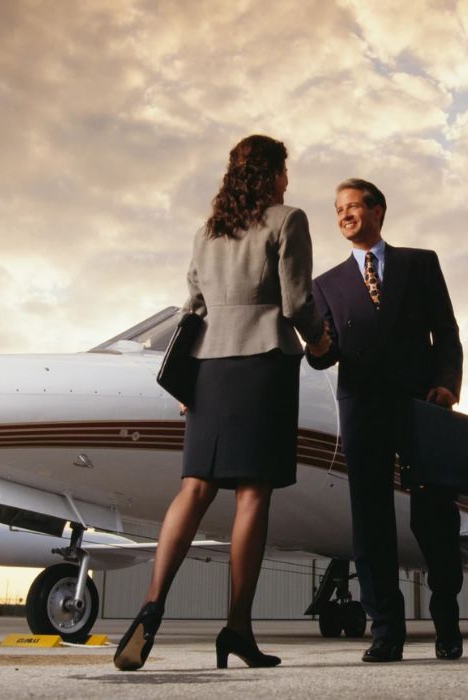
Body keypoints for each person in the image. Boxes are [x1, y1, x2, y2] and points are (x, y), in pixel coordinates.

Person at [113, 135, 331, 671]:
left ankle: (151, 606)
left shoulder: (207, 233)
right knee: (253, 496)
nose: (287, 181)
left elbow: (193, 308)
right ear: (271, 174)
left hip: (209, 371)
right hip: (262, 365)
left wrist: (189, 385)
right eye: (284, 171)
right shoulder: (288, 220)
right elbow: (296, 301)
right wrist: (322, 342)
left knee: (194, 488)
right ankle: (237, 627)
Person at [306, 178, 464, 662]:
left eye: (353, 206)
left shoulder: (420, 263)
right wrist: (316, 343)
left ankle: (446, 617)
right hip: (363, 408)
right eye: (338, 210)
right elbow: (323, 355)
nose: (344, 215)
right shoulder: (325, 285)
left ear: (378, 211)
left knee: (435, 513)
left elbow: (447, 332)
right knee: (371, 518)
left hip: (422, 403)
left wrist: (447, 384)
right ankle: (386, 631)